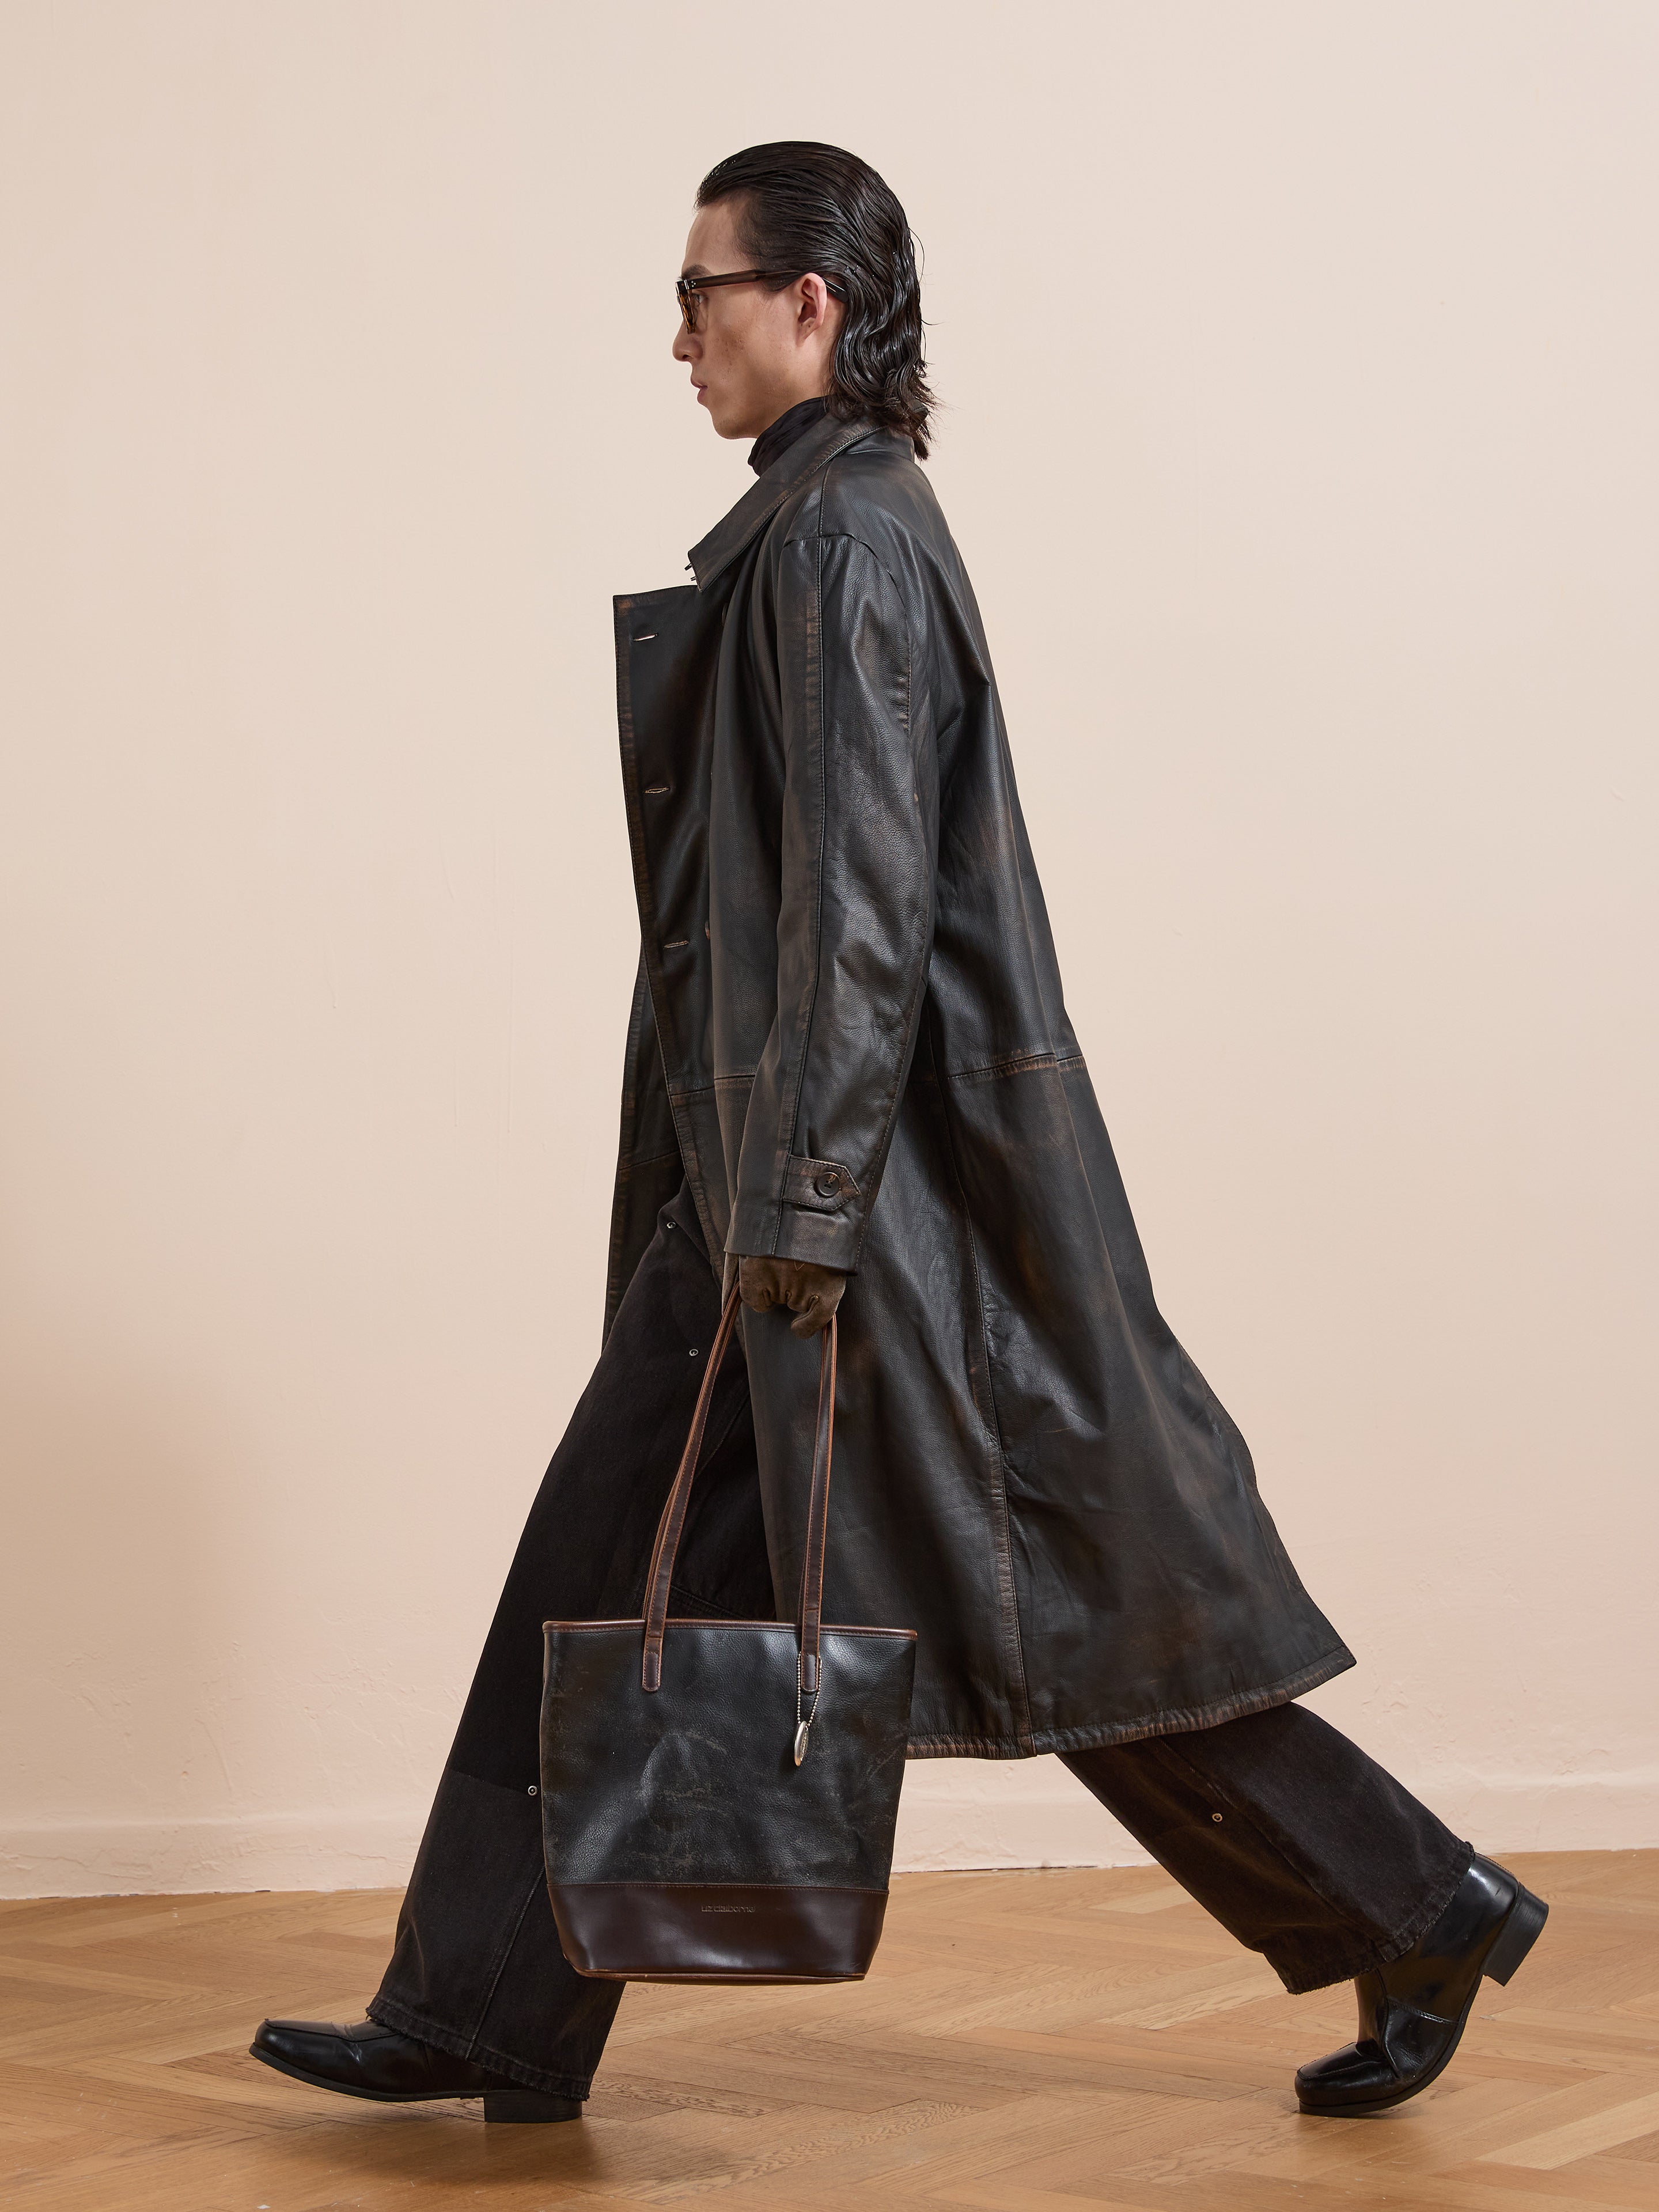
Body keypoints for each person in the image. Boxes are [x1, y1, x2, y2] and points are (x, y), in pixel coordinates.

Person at [251, 142, 1546, 2125]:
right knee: (658, 1577)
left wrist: (795, 1218)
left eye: (704, 289)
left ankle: (1421, 1902)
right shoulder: (812, 529)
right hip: (795, 1192)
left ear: (813, 307)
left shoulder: (848, 542)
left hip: (835, 1211)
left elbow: (861, 911)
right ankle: (486, 2009)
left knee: (1054, 1621)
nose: (677, 328)